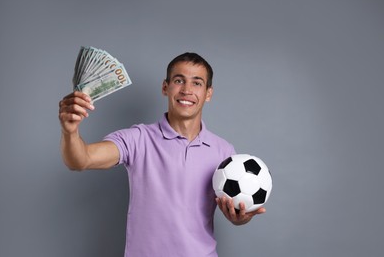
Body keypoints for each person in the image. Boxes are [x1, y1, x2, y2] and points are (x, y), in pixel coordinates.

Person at [59, 52, 266, 256]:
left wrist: (241, 218)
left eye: (197, 83)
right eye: (179, 80)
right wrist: (70, 131)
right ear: (165, 87)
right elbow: (80, 160)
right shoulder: (137, 139)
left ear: (208, 93)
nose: (186, 90)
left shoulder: (224, 152)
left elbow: (236, 212)